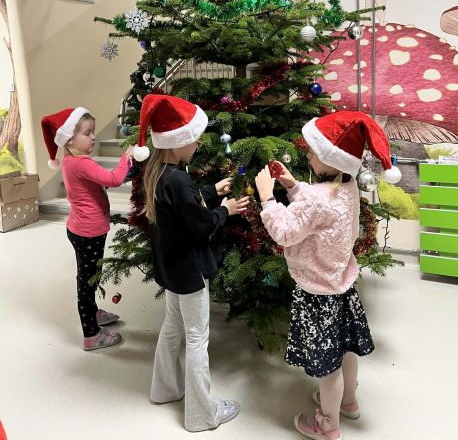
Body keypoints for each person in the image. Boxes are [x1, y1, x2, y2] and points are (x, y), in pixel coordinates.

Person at [255, 111, 401, 440]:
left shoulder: (316, 198)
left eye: (312, 150)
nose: (307, 154)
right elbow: (319, 210)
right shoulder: (347, 187)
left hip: (317, 293)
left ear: (330, 160)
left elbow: (286, 231)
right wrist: (293, 186)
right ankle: (348, 402)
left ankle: (328, 426)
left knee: (327, 364)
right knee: (345, 348)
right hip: (342, 286)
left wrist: (267, 197)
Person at [133, 94, 249, 432]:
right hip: (189, 270)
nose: (198, 144)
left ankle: (164, 389)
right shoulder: (178, 179)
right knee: (197, 337)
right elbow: (201, 225)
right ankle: (202, 415)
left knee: (173, 326)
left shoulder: (159, 172)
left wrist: (211, 191)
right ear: (178, 141)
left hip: (171, 268)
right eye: (195, 138)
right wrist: (225, 210)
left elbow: (184, 207)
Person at [41, 107, 133, 351]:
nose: (93, 137)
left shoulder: (71, 162)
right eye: (87, 133)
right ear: (70, 139)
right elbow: (114, 179)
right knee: (87, 280)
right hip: (89, 231)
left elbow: (95, 184)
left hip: (79, 229)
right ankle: (91, 334)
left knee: (90, 275)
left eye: (93, 132)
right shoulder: (81, 163)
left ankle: (93, 313)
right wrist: (127, 156)